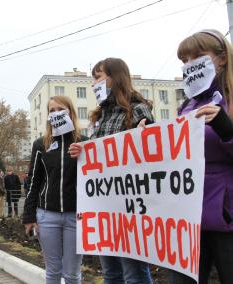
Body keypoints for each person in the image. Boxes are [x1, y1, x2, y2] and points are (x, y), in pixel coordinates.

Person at [69, 58, 154, 284]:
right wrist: (83, 151)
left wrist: (148, 135)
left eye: (97, 77)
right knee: (111, 273)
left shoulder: (138, 109)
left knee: (134, 273)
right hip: (104, 208)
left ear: (115, 78)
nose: (93, 83)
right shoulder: (99, 116)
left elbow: (153, 153)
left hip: (130, 209)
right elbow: (99, 155)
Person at [167, 29, 233, 284]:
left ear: (222, 58)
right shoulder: (187, 106)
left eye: (196, 56)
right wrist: (148, 138)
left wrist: (226, 128)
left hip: (226, 214)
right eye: (184, 60)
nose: (189, 65)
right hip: (188, 216)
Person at [23, 95, 87, 283]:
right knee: (52, 272)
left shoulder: (83, 142)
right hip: (46, 216)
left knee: (72, 274)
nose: (56, 113)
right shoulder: (41, 144)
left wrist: (85, 155)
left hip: (76, 217)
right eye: (52, 110)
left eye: (61, 109)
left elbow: (95, 177)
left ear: (70, 112)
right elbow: (33, 181)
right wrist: (28, 217)